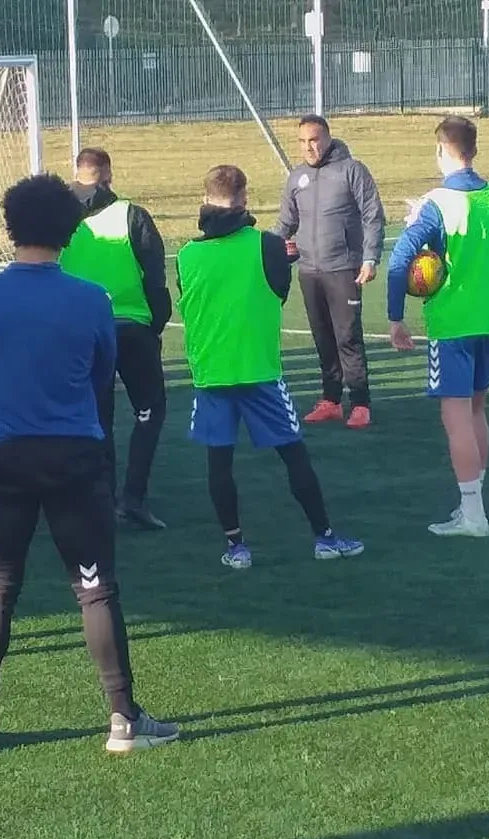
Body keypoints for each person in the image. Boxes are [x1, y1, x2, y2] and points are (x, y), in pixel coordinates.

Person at [0, 172, 178, 756]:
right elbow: (101, 371)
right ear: (70, 232)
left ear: (10, 227)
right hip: (74, 452)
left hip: (2, 452)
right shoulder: (91, 299)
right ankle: (123, 719)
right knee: (95, 587)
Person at [177, 164, 363, 569]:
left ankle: (236, 547)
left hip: (211, 374)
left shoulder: (187, 255)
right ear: (245, 198)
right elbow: (278, 292)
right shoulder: (268, 246)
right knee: (294, 455)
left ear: (205, 200)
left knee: (219, 463)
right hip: (259, 370)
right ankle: (324, 537)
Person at [385, 115, 489, 539]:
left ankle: (474, 515)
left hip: (454, 321)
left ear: (440, 150)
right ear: (474, 149)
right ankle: (473, 505)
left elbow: (401, 260)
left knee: (455, 417)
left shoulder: (437, 202)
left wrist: (395, 316)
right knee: (477, 410)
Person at [57, 147, 173, 530]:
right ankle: (133, 497)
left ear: (76, 174)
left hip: (81, 330)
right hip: (131, 326)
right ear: (107, 175)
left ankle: (101, 499)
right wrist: (156, 322)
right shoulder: (130, 214)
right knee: (150, 410)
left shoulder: (59, 219)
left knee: (96, 417)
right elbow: (154, 274)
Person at [274, 114, 385, 430]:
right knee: (322, 337)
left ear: (328, 138)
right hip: (309, 271)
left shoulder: (352, 170)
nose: (308, 147)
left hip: (343, 268)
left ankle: (360, 403)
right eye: (302, 142)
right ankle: (331, 401)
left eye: (314, 140)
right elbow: (286, 223)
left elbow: (373, 215)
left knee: (347, 337)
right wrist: (264, 249)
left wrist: (370, 258)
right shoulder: (297, 177)